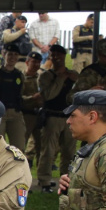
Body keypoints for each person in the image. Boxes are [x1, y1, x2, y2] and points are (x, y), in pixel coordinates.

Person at [37, 44, 79, 192]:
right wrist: (60, 79)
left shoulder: (73, 75)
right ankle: (44, 181)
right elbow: (48, 95)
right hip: (52, 116)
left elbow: (79, 93)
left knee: (69, 151)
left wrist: (74, 79)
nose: (56, 59)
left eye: (59, 56)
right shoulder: (46, 76)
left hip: (69, 116)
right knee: (48, 151)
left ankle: (66, 180)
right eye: (53, 56)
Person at [0, 44, 27, 151]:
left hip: (15, 112)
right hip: (0, 113)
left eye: (15, 55)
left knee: (19, 147)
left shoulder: (19, 75)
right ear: (4, 54)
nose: (12, 57)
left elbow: (21, 93)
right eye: (10, 54)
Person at [21, 51, 45, 167]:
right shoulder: (22, 77)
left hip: (39, 115)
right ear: (27, 62)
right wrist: (32, 98)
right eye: (33, 62)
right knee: (22, 142)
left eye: (38, 63)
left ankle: (41, 174)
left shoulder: (41, 77)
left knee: (42, 145)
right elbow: (19, 97)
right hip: (27, 114)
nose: (36, 65)